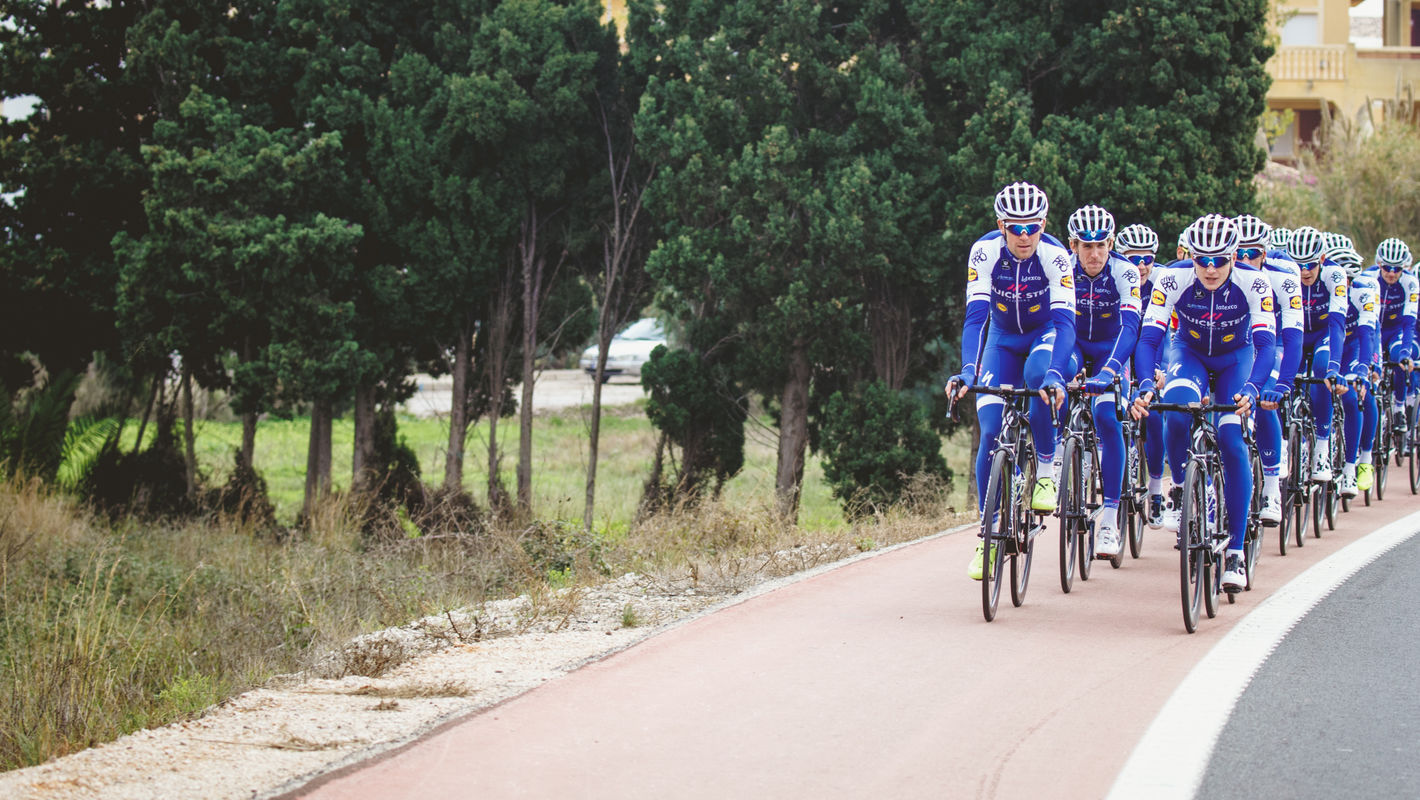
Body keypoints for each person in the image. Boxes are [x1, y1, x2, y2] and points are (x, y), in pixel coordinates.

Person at [1130, 214, 1276, 591]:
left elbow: (1265, 345)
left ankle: (1236, 553)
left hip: (1236, 359)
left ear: (1233, 256)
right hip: (1189, 352)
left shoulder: (1254, 282)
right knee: (1175, 414)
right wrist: (1146, 383)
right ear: (1190, 257)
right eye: (1202, 260)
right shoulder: (1171, 278)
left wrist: (1256, 388)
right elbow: (1148, 340)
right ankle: (1183, 491)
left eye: (1219, 261)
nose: (1210, 269)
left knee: (1231, 440)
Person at [948, 182, 1076, 580]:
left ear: (1043, 224)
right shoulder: (984, 252)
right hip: (1002, 340)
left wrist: (1057, 371)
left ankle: (1046, 470)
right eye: (1016, 227)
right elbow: (975, 319)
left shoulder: (1056, 256)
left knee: (1038, 377)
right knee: (989, 432)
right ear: (1000, 225)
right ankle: (988, 538)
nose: (1025, 236)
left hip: (1044, 336)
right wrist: (968, 369)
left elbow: (1065, 322)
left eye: (1032, 227)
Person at [1065, 205, 1142, 557]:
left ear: (1111, 243)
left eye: (1101, 246)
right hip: (1076, 345)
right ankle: (1054, 461)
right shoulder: (1063, 269)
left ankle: (1109, 519)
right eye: (1086, 246)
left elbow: (1130, 327)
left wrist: (1110, 370)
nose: (1094, 254)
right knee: (1055, 382)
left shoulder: (1125, 272)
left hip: (1113, 350)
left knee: (1108, 417)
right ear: (1073, 245)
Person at [1234, 215, 1303, 526]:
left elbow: (1292, 335)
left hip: (1270, 346)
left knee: (1263, 400)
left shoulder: (1283, 278)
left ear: (1266, 253)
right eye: (1240, 253)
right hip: (1237, 347)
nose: (1246, 260)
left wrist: (1285, 383)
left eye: (1253, 254)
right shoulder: (1219, 274)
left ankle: (1271, 488)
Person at [1288, 226, 1349, 482]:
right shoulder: (1287, 275)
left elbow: (1337, 323)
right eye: (1299, 264)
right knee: (1285, 374)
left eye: (1310, 265)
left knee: (1322, 369)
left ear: (1321, 259)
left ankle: (1322, 447)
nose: (1304, 271)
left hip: (1323, 333)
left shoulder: (1335, 275)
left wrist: (1335, 366)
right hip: (1298, 333)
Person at [1117, 223, 1168, 528]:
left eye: (1147, 258)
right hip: (1121, 347)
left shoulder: (1162, 280)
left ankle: (1157, 489)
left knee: (1155, 414)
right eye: (1134, 258)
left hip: (1154, 347)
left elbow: (1169, 333)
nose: (1141, 266)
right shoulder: (1115, 277)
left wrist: (1160, 370)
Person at [1363, 237, 1418, 483]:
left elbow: (1409, 324)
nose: (1392, 273)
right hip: (1373, 329)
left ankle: (1397, 407)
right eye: (1387, 267)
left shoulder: (1410, 283)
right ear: (1379, 264)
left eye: (1397, 269)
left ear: (1404, 267)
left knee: (1398, 358)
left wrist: (1406, 353)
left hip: (1395, 332)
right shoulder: (1368, 278)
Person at [1333, 245, 1380, 497]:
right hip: (1331, 346)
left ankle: (1358, 463)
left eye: (1350, 280)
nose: (1345, 285)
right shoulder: (1323, 289)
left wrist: (1367, 368)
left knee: (1356, 395)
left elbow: (1368, 334)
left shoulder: (1365, 291)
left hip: (1355, 345)